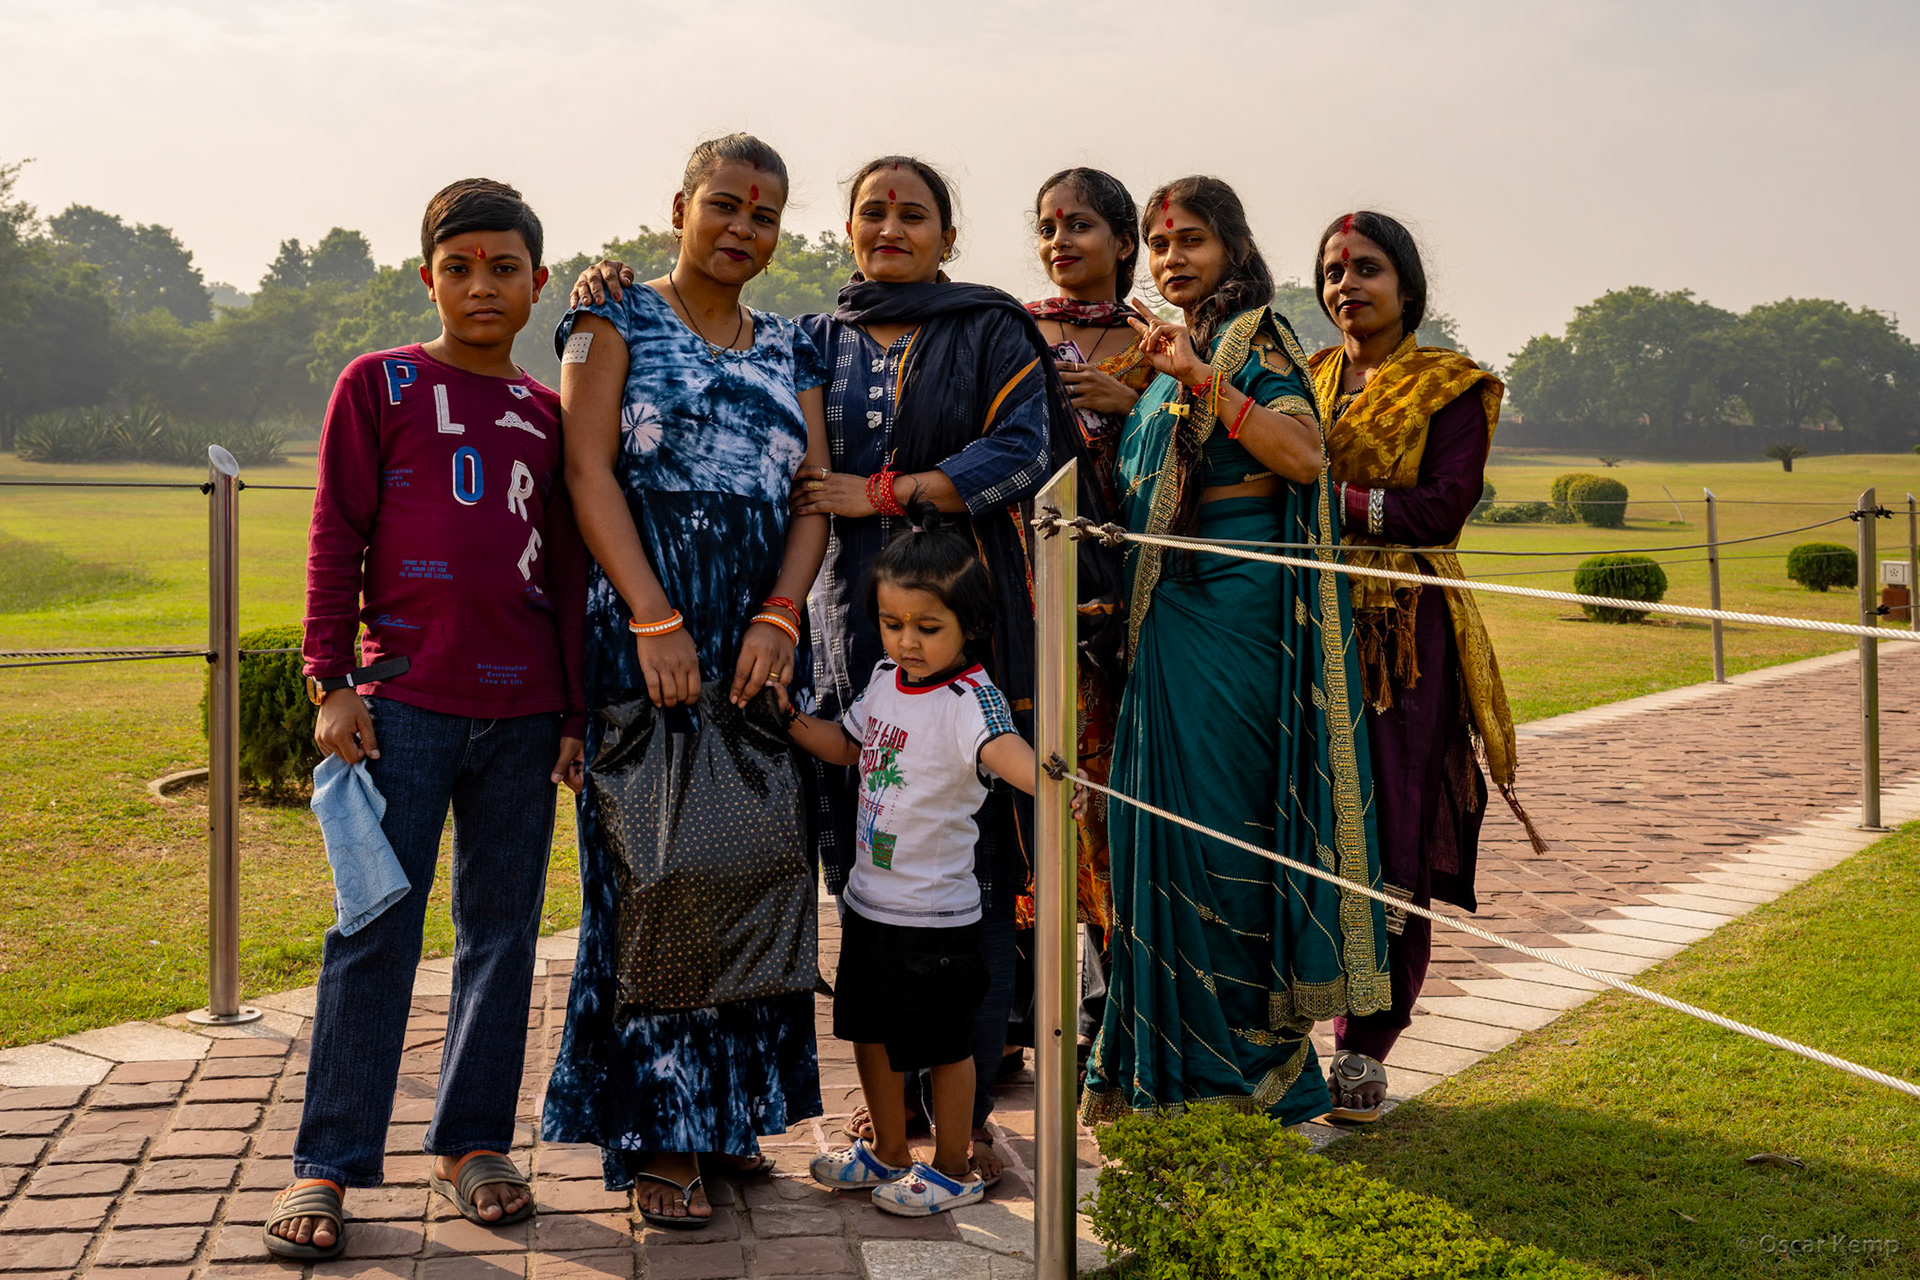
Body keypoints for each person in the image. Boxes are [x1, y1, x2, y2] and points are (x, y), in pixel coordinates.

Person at [270, 179, 585, 1260]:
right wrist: (330, 679)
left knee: (501, 933)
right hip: (400, 700)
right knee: (372, 927)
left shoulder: (549, 415)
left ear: (538, 283)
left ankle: (472, 1141)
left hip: (524, 703)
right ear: (429, 278)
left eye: (504, 268)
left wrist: (575, 712)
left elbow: (573, 568)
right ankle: (329, 1160)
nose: (482, 285)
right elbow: (334, 532)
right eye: (460, 267)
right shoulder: (382, 383)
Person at [540, 134, 832, 1229]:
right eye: (724, 205)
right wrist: (656, 617)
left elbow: (811, 491)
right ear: (679, 207)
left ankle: (729, 1112)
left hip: (755, 628)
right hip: (647, 617)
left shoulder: (793, 343)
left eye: (763, 213)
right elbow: (585, 469)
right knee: (653, 871)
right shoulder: (610, 318)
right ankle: (655, 1129)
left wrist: (781, 612)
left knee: (752, 862)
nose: (743, 228)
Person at [1080, 176, 1390, 1128]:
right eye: (1159, 243)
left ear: (1234, 248)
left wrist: (1197, 380)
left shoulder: (1253, 339)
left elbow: (1305, 456)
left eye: (1192, 242)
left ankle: (1247, 1073)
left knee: (1225, 835)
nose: (1174, 259)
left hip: (1241, 612)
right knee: (1156, 835)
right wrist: (1124, 393)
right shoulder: (1177, 347)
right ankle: (1165, 1074)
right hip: (1173, 615)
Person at [1309, 211, 1537, 1122]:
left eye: (1367, 270)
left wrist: (1325, 502)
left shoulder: (1453, 387)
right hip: (1304, 623)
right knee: (1305, 824)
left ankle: (1365, 1049)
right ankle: (1287, 1027)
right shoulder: (1307, 378)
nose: (1346, 287)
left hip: (1403, 640)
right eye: (1332, 272)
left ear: (1406, 285)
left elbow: (1441, 508)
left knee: (1391, 832)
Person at [784, 498, 1038, 1217]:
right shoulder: (883, 683)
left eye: (928, 628)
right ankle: (889, 1153)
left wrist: (1053, 781)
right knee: (869, 1031)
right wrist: (790, 719)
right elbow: (847, 746)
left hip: (938, 917)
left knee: (946, 1047)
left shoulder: (971, 699)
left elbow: (1004, 753)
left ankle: (952, 1168)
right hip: (869, 903)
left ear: (970, 624)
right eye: (893, 625)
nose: (907, 642)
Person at [1022, 167, 1153, 1065]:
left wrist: (1136, 403)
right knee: (1024, 807)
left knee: (1106, 812)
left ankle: (1113, 1011)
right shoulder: (1010, 331)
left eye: (1080, 227)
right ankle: (1018, 1019)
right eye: (1046, 227)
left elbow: (1207, 460)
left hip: (1127, 612)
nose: (1060, 241)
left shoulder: (1158, 341)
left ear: (1122, 241)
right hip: (1025, 600)